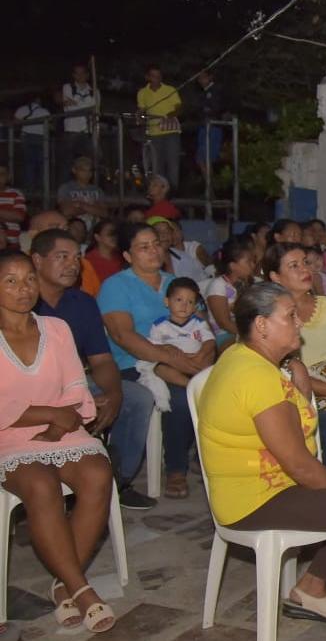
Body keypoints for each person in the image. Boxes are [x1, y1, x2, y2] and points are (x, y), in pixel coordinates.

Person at [198, 282, 326, 641]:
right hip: (254, 497)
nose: (299, 323)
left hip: (271, 481)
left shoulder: (247, 357)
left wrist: (302, 391)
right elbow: (300, 465)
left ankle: (311, 586)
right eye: (290, 316)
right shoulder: (254, 375)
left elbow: (293, 438)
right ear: (261, 325)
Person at [0, 250, 118, 633]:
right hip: (10, 436)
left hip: (63, 427)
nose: (23, 289)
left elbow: (75, 385)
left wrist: (62, 417)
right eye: (11, 281)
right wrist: (48, 414)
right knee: (40, 483)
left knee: (98, 473)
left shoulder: (56, 329)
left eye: (29, 279)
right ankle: (82, 590)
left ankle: (62, 585)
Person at [32, 229, 158, 510]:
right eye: (62, 257)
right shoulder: (22, 301)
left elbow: (101, 360)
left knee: (137, 397)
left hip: (77, 381)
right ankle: (49, 487)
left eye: (76, 257)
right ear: (37, 260)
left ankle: (117, 480)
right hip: (33, 388)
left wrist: (113, 394)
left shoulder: (83, 302)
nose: (72, 265)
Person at [100, 223, 201, 499]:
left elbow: (201, 325)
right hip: (132, 363)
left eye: (156, 244)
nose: (153, 251)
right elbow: (122, 335)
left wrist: (201, 356)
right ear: (127, 255)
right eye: (143, 247)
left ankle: (207, 457)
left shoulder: (174, 283)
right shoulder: (116, 286)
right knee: (181, 397)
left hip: (183, 358)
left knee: (215, 387)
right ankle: (176, 468)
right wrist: (169, 358)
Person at [264, 243, 326, 468]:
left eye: (306, 263)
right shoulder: (265, 312)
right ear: (275, 276)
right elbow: (266, 368)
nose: (305, 270)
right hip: (291, 398)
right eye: (294, 266)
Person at [143, 277, 215, 389]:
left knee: (209, 357)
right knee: (159, 369)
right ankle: (190, 385)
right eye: (179, 300)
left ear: (194, 307)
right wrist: (167, 347)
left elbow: (210, 341)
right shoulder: (159, 325)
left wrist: (201, 354)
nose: (184, 305)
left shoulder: (199, 323)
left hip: (196, 359)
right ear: (167, 302)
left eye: (190, 302)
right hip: (174, 363)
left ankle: (203, 380)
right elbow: (154, 346)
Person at [27, 210, 100, 297]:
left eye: (66, 228)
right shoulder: (20, 265)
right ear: (33, 234)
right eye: (55, 227)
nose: (63, 232)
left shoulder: (83, 263)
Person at [205, 235, 256, 350]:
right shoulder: (218, 286)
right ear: (233, 266)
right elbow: (224, 323)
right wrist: (250, 335)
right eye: (248, 262)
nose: (253, 265)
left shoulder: (249, 283)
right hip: (223, 335)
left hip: (242, 332)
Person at [136, 65, 183, 188]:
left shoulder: (170, 89)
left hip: (171, 131)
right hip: (154, 133)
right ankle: (159, 193)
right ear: (147, 77)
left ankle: (173, 192)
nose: (156, 78)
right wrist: (139, 116)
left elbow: (179, 108)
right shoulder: (142, 92)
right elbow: (142, 110)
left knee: (173, 164)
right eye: (153, 76)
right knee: (157, 166)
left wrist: (170, 115)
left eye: (158, 76)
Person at [60, 64, 99, 174]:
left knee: (91, 160)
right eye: (77, 73)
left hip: (88, 131)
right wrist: (87, 107)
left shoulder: (94, 90)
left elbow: (95, 109)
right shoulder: (68, 87)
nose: (80, 76)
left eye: (82, 73)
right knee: (67, 161)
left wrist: (75, 104)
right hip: (71, 130)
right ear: (73, 75)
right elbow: (69, 108)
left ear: (87, 75)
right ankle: (65, 188)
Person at [149, 217, 207, 282]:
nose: (164, 235)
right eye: (158, 231)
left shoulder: (184, 257)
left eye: (168, 231)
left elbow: (202, 281)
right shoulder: (143, 261)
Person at [57, 157, 107, 230]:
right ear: (74, 170)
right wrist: (93, 208)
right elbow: (66, 211)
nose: (87, 174)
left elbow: (104, 213)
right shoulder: (66, 188)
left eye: (89, 171)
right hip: (73, 228)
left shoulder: (97, 190)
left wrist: (80, 205)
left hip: (94, 229)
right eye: (83, 170)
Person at [14, 94, 50, 195]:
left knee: (29, 164)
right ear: (38, 100)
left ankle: (29, 188)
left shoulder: (21, 109)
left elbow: (16, 122)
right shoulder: (44, 111)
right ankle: (42, 187)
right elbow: (50, 124)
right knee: (42, 164)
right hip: (41, 138)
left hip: (27, 137)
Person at [194, 69, 225, 169]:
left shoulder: (216, 90)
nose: (200, 80)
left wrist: (208, 112)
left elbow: (218, 108)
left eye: (203, 77)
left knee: (206, 159)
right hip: (203, 127)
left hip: (213, 127)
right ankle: (210, 183)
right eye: (199, 78)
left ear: (210, 77)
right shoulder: (202, 93)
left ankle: (211, 183)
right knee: (201, 159)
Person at [84, 219, 122, 284]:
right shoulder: (89, 261)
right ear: (97, 237)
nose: (114, 237)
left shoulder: (121, 257)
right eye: (109, 233)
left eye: (115, 233)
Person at [0, 165, 26, 249]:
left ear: (8, 177)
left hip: (12, 247)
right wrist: (7, 214)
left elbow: (19, 216)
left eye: (2, 174)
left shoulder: (16, 194)